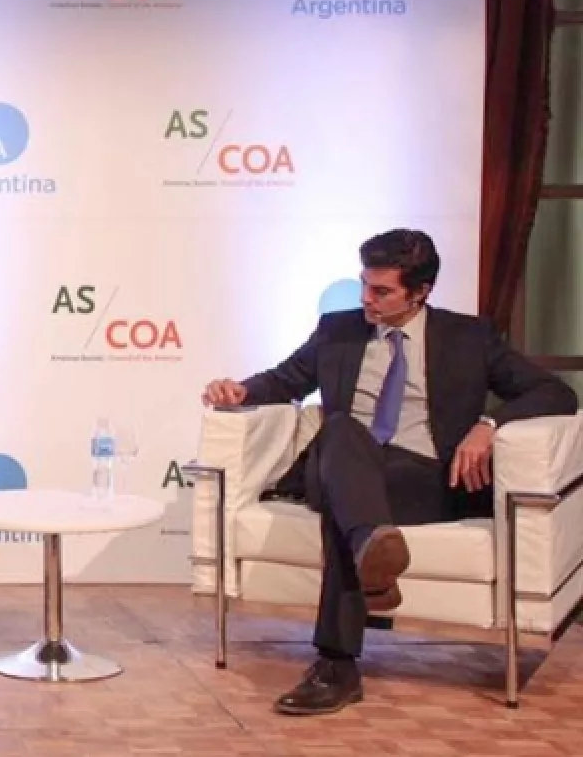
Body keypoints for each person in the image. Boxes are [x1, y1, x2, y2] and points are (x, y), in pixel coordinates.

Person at [200, 229, 576, 716]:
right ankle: (370, 557)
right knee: (340, 432)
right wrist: (240, 391)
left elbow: (555, 392)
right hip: (338, 464)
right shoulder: (338, 329)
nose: (366, 300)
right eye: (364, 285)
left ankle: (338, 662)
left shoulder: (469, 337)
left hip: (423, 479)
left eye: (381, 291)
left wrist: (489, 425)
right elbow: (285, 380)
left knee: (350, 509)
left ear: (421, 291)